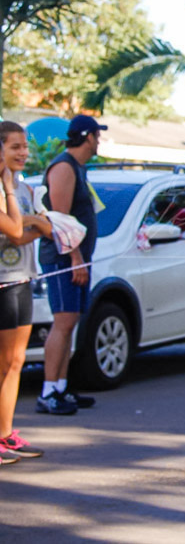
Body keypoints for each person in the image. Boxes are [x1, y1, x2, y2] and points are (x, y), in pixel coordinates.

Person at [36, 114, 105, 415]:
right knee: (62, 322)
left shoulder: (79, 168)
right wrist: (76, 259)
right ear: (87, 136)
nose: (99, 141)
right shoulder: (63, 167)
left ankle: (62, 386)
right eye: (97, 135)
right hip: (63, 258)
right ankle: (48, 391)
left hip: (79, 258)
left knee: (71, 322)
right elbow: (61, 220)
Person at [0, 122, 51, 460]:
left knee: (16, 361)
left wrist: (30, 223)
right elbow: (18, 230)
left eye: (25, 146)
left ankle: (6, 435)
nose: (23, 153)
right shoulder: (8, 187)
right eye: (15, 147)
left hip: (22, 279)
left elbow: (44, 227)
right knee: (2, 362)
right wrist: (29, 221)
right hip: (1, 282)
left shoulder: (25, 188)